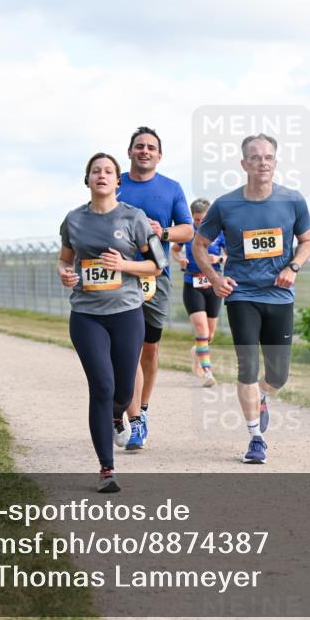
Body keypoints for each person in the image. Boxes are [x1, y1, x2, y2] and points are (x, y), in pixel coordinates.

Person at [193, 133, 310, 464]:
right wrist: (216, 279)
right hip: (241, 295)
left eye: (268, 157)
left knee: (278, 376)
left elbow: (307, 240)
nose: (263, 162)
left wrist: (294, 266)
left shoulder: (292, 200)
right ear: (244, 163)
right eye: (256, 157)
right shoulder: (227, 204)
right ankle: (255, 438)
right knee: (247, 365)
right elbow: (199, 244)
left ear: (275, 163)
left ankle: (262, 394)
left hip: (279, 295)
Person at [59, 152, 162, 492]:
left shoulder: (135, 218)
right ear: (87, 179)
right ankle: (106, 470)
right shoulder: (73, 220)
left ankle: (118, 415)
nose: (101, 175)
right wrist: (65, 274)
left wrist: (125, 265)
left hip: (127, 314)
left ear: (118, 181)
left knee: (121, 390)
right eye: (95, 171)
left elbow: (156, 266)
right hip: (87, 315)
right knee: (101, 387)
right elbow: (65, 260)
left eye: (108, 171)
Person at [115, 126, 193, 449]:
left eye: (151, 147)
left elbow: (188, 230)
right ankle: (132, 422)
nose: (145, 151)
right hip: (118, 275)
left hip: (155, 275)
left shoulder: (171, 188)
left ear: (159, 155)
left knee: (149, 348)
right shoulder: (115, 183)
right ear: (130, 152)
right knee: (127, 349)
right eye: (139, 146)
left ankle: (142, 409)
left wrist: (164, 232)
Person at [172, 198, 226, 387]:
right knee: (201, 330)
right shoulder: (187, 233)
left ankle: (198, 351)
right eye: (196, 220)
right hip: (192, 283)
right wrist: (180, 260)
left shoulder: (219, 232)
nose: (199, 223)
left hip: (213, 284)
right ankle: (208, 373)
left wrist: (218, 258)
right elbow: (175, 250)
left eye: (203, 219)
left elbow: (228, 255)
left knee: (209, 334)